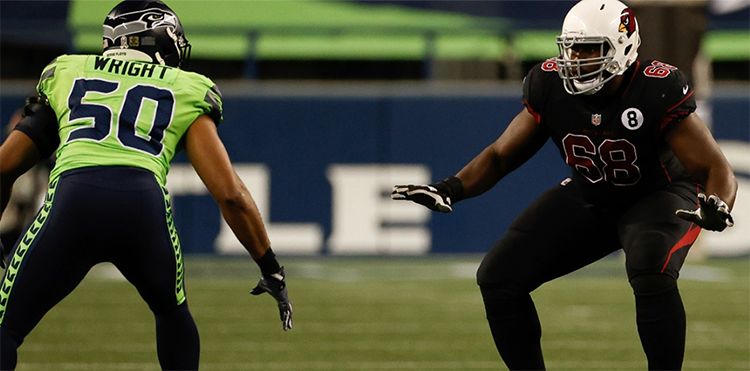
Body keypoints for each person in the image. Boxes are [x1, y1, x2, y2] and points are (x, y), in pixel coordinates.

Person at [392, 0, 737, 370]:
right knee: (498, 276)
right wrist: (450, 188)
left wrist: (716, 204)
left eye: (590, 48)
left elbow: (715, 167)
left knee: (650, 267)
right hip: (592, 194)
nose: (576, 58)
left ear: (622, 47)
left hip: (660, 194)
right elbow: (501, 155)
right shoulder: (550, 84)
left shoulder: (656, 87)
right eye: (572, 47)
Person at [0, 1, 292, 370]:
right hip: (142, 205)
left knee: (5, 329)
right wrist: (270, 267)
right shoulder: (186, 87)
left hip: (73, 200)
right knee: (172, 314)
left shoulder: (68, 70)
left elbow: (3, 167)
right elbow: (231, 194)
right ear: (150, 37)